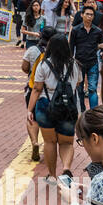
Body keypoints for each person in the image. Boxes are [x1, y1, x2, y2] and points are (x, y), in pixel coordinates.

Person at [27, 33, 80, 186]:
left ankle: (52, 176)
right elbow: (77, 85)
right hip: (68, 107)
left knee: (50, 142)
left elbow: (36, 89)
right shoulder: (74, 64)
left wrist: (30, 109)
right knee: (67, 143)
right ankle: (66, 169)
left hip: (46, 105)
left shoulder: (44, 65)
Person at [69, 2, 103, 111]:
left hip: (93, 63)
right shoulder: (75, 30)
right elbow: (71, 47)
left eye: (91, 15)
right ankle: (82, 111)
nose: (89, 17)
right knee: (79, 90)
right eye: (87, 14)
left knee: (92, 89)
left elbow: (102, 47)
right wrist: (70, 62)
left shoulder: (98, 31)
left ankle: (94, 113)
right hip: (78, 63)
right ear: (82, 15)